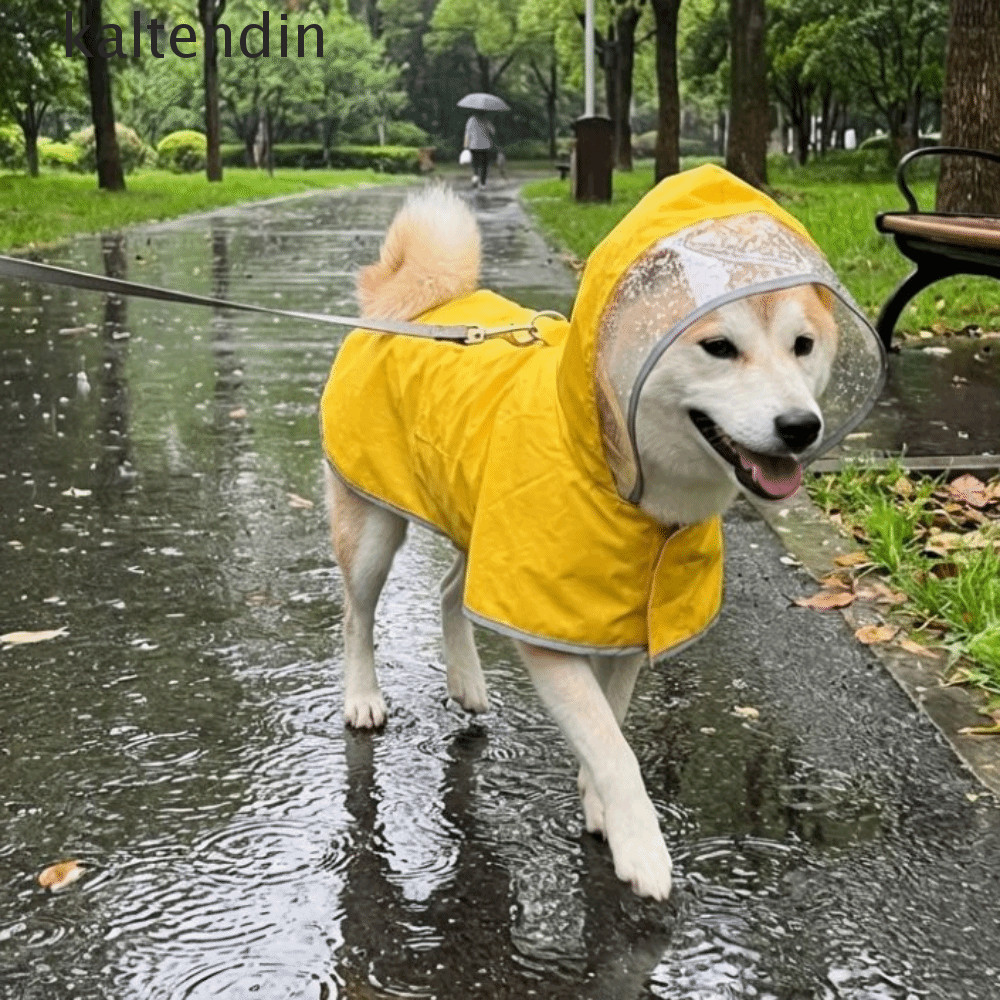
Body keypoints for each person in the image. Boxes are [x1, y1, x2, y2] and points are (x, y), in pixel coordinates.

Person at [463, 113, 495, 188]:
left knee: (475, 164)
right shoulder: (486, 120)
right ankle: (483, 183)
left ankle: (475, 178)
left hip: (473, 146)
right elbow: (493, 131)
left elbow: (467, 133)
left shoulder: (471, 120)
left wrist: (465, 146)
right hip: (485, 146)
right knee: (484, 165)